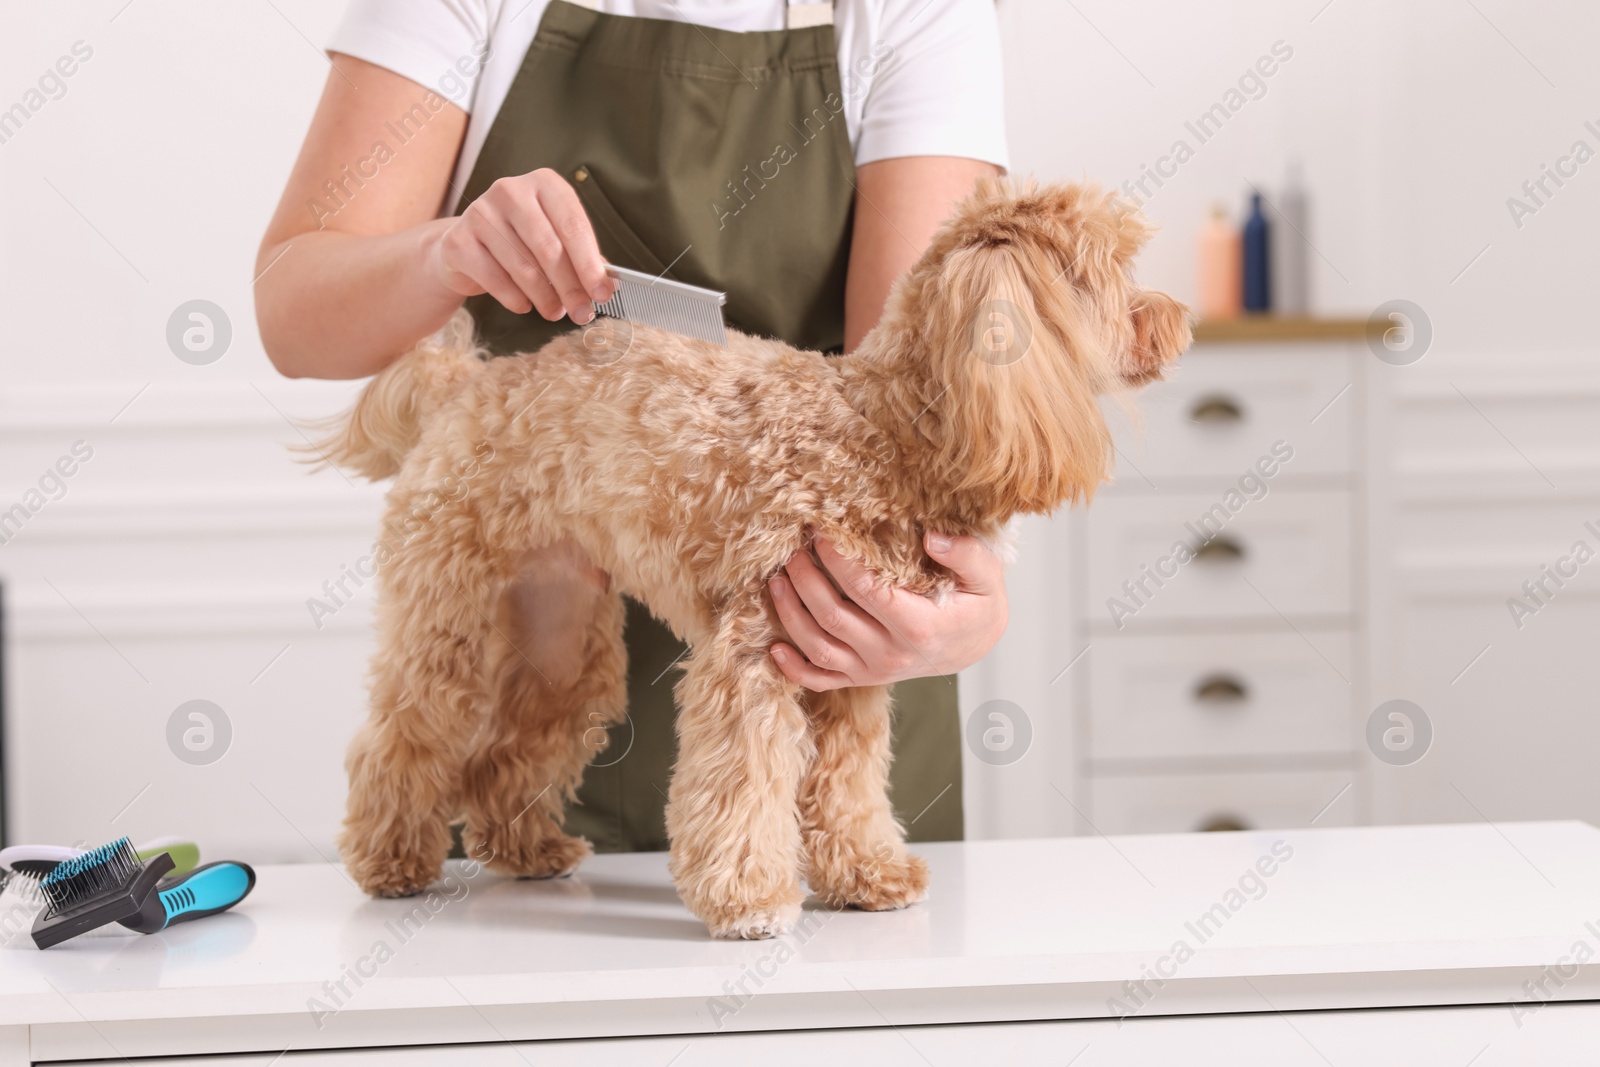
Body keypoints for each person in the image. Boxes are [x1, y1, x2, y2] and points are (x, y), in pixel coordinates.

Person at [257, 0, 1011, 853]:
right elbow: (293, 309)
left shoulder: (914, 12)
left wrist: (959, 608)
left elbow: (914, 403)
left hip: (830, 676)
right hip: (533, 678)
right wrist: (444, 255)